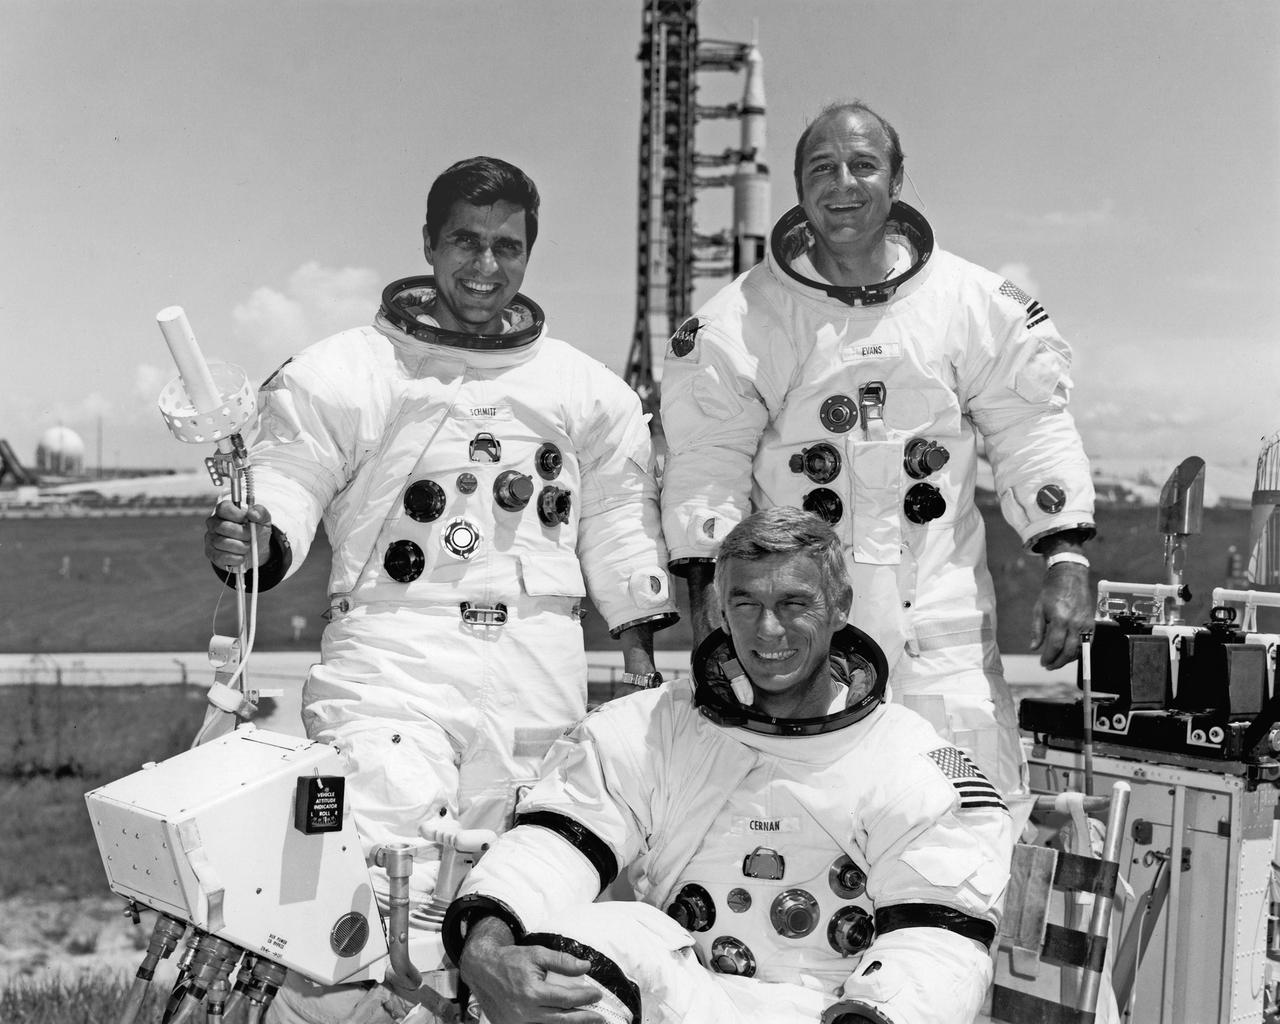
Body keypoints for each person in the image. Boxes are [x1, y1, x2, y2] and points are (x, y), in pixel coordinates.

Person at [203, 156, 677, 1022]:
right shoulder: (351, 370)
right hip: (394, 652)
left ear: (530, 255)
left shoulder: (583, 388)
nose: (485, 268)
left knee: (533, 882)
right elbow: (292, 471)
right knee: (378, 878)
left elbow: (616, 516)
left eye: (507, 248)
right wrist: (257, 533)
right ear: (428, 243)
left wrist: (641, 645)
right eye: (466, 241)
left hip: (539, 659)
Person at [659, 100, 1095, 798]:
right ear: (799, 187)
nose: (843, 186)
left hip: (941, 635)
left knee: (972, 834)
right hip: (805, 635)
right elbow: (705, 463)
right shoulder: (744, 320)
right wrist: (710, 596)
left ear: (896, 179)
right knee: (811, 846)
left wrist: (1065, 555)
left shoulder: (969, 303)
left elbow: (1032, 427)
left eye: (863, 165)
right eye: (822, 168)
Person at [444, 507, 1014, 1024]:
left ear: (840, 606)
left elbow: (938, 943)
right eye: (747, 604)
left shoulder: (907, 759)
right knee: (566, 953)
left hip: (833, 1011)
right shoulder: (655, 731)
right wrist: (486, 952)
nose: (769, 630)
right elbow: (551, 848)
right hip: (686, 998)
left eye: (795, 603)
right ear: (719, 609)